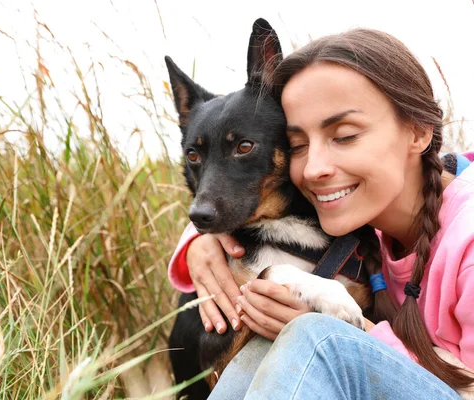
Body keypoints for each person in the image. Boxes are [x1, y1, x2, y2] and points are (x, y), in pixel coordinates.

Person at [168, 28, 474, 399]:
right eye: (297, 145)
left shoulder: (465, 239)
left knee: (312, 337)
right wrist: (204, 239)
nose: (314, 168)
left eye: (344, 136)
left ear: (419, 132)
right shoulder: (363, 213)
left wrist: (351, 332)